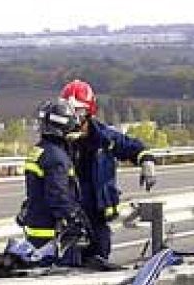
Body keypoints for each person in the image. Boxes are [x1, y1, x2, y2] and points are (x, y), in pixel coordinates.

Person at [58, 80, 150, 266]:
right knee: (69, 269)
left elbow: (132, 147)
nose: (74, 116)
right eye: (70, 110)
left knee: (99, 261)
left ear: (89, 111)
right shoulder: (57, 141)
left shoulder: (103, 138)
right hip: (69, 223)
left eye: (79, 111)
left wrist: (147, 162)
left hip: (98, 218)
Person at [13, 98, 90, 267]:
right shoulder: (57, 158)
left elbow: (38, 189)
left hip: (35, 227)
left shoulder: (39, 151)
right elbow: (58, 195)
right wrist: (75, 220)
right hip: (53, 234)